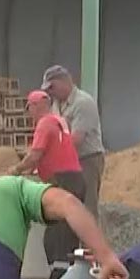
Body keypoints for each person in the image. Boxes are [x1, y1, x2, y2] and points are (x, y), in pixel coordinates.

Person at [12, 90, 89, 279]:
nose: (30, 114)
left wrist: (16, 169)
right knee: (69, 228)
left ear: (35, 106)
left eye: (29, 108)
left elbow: (35, 154)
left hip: (62, 180)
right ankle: (70, 276)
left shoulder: (44, 123)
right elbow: (53, 152)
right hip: (76, 178)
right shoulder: (59, 121)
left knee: (55, 231)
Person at [41, 66, 105, 215]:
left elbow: (76, 139)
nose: (50, 92)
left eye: (52, 87)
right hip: (67, 161)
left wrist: (50, 156)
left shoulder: (83, 103)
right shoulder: (56, 104)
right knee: (69, 207)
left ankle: (90, 238)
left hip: (87, 159)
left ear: (65, 81)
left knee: (87, 206)